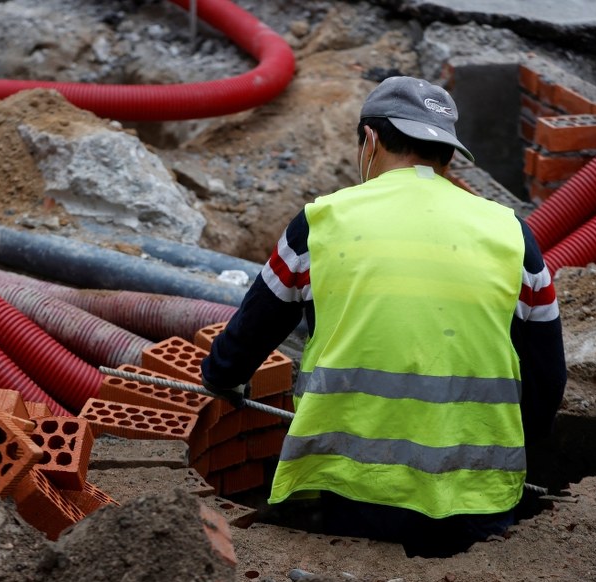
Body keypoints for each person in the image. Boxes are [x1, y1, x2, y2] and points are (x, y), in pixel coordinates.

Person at [200, 75, 567, 557]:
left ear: (369, 141)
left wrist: (220, 377)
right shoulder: (512, 234)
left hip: (348, 489)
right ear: (449, 155)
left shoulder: (322, 221)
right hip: (476, 502)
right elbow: (548, 380)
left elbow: (245, 341)